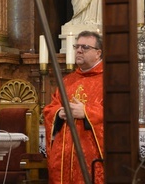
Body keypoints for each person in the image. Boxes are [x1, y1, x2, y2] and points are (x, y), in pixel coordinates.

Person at [43, 31, 104, 184]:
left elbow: (118, 113)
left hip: (90, 155)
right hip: (63, 156)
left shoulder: (108, 80)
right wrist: (59, 113)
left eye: (85, 47)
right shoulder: (67, 81)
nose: (79, 50)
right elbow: (50, 108)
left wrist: (87, 112)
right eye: (77, 46)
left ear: (98, 53)